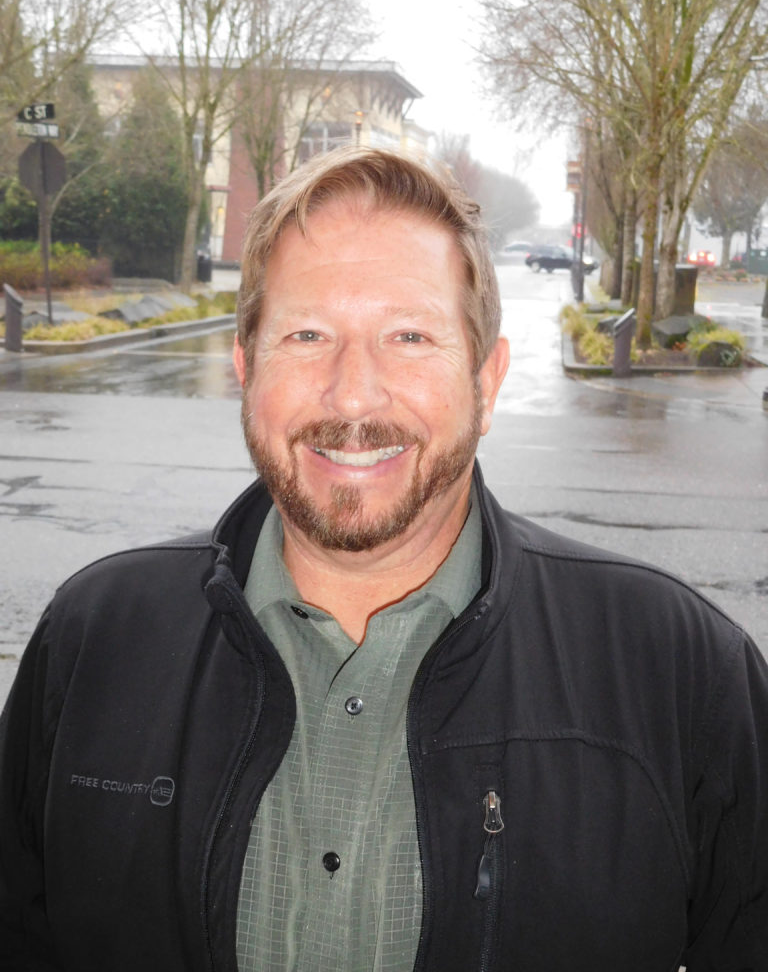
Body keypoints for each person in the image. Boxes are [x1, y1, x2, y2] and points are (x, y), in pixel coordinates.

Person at [1, 147, 767, 972]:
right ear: (244, 368)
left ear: (486, 380)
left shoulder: (679, 669)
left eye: (409, 335)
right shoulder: (94, 638)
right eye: (306, 334)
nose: (355, 394)